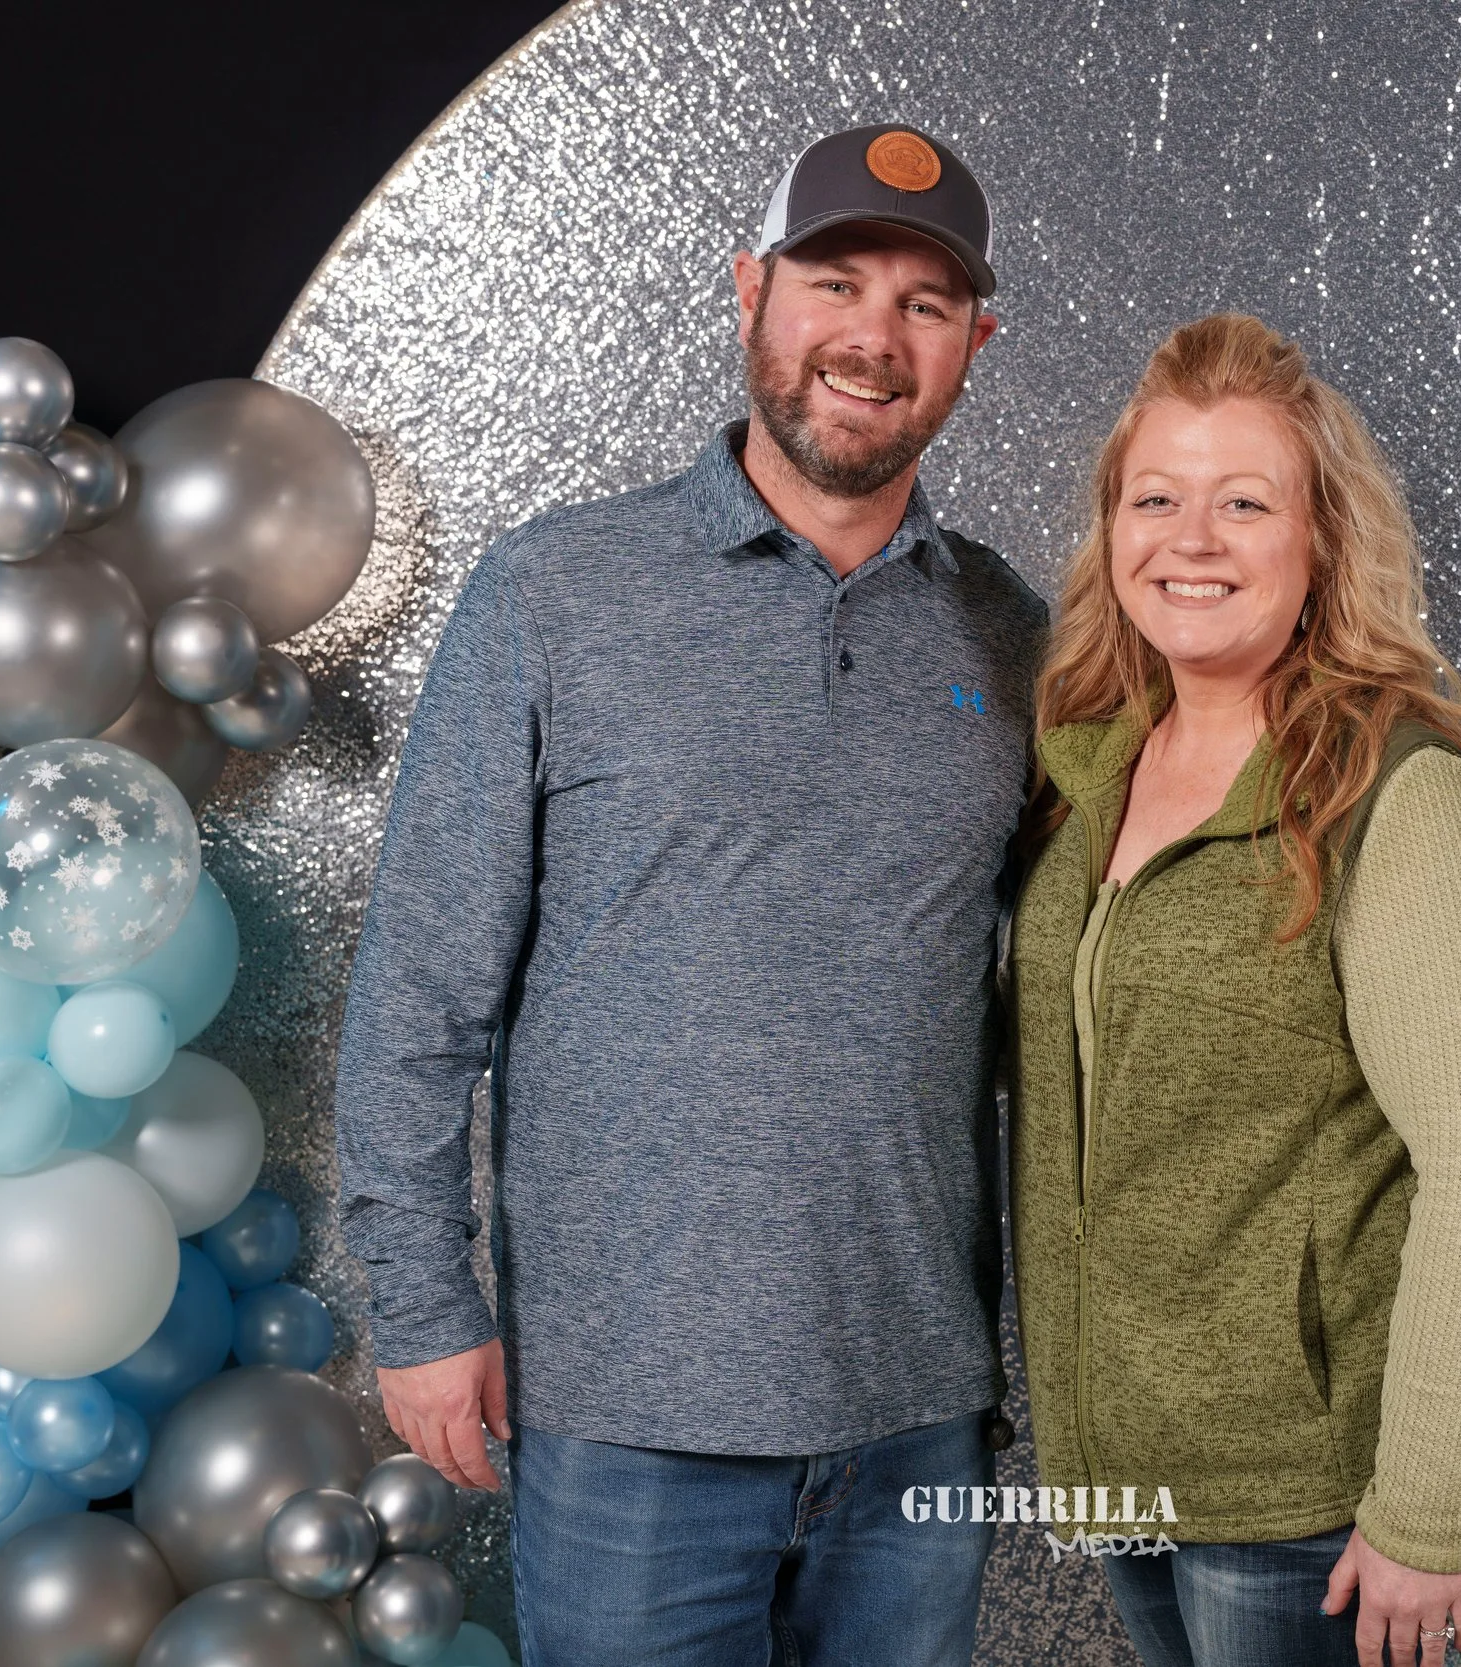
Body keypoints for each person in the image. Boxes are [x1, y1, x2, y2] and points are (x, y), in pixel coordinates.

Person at [330, 124, 1045, 1666]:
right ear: (749, 291)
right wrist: (424, 1305)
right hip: (626, 1421)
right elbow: (420, 991)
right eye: (835, 282)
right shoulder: (554, 592)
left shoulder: (1013, 633)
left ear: (973, 346)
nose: (873, 336)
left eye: (925, 304)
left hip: (919, 1420)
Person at [1008, 313, 1461, 1667]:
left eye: (1244, 503)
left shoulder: (1391, 792)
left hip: (1310, 1504)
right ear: (1112, 531)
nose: (1191, 540)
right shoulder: (1087, 772)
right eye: (1156, 499)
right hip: (1126, 1476)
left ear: (1321, 541)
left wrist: (1422, 1508)